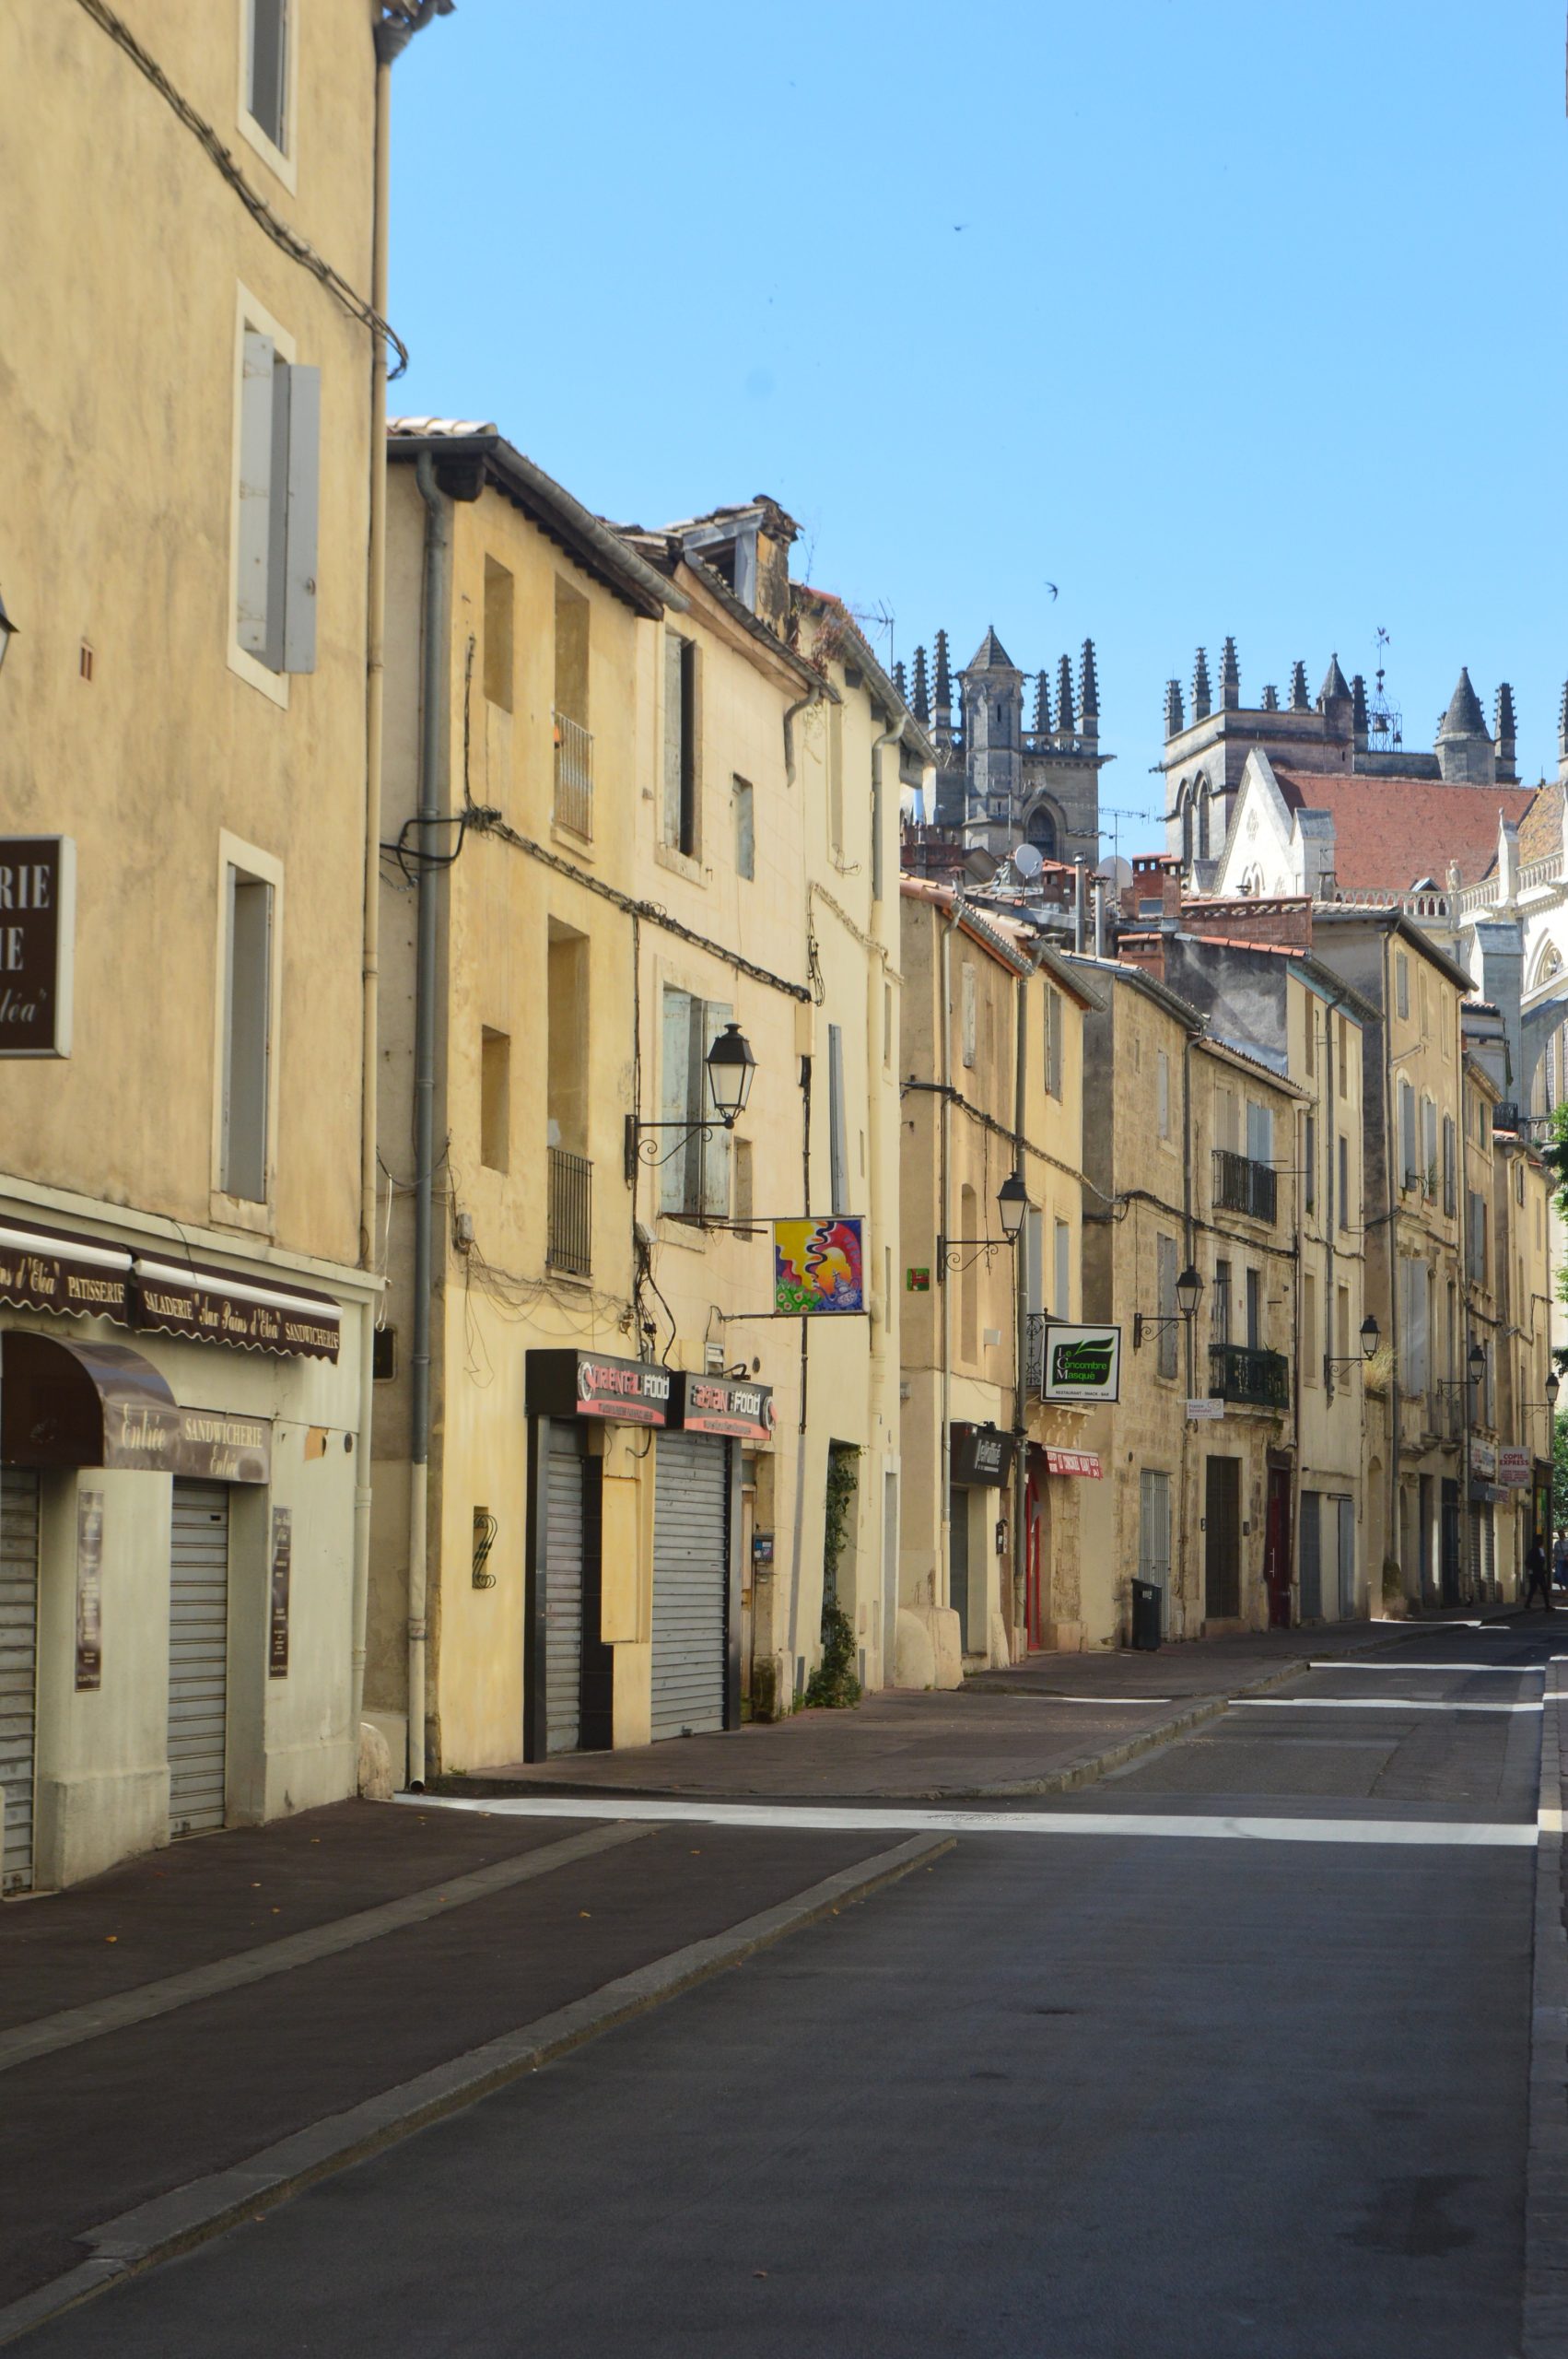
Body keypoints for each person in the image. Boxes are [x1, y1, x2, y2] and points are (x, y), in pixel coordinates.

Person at [1525, 1535, 1553, 1612]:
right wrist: (1542, 1570)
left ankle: (1527, 1603)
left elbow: (1527, 1562)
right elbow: (1542, 1561)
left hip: (1532, 1572)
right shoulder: (1540, 1550)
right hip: (1539, 1572)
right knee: (1544, 1589)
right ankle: (1547, 1606)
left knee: (1532, 1588)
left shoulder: (1531, 1551)